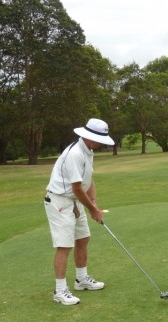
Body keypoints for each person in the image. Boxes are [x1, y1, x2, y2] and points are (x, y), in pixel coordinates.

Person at [44, 118, 114, 305]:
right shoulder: (75, 154)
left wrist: (94, 204)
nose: (100, 144)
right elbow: (76, 187)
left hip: (75, 201)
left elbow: (88, 180)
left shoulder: (88, 150)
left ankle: (81, 280)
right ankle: (59, 291)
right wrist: (93, 210)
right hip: (60, 200)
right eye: (99, 140)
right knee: (64, 245)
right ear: (90, 137)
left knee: (83, 238)